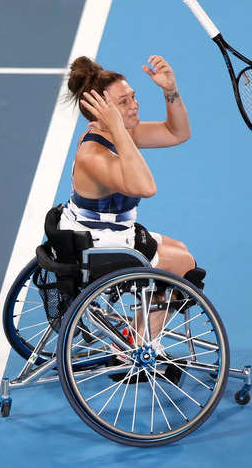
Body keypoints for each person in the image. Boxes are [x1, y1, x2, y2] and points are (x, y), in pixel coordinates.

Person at [59, 55, 205, 343]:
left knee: (180, 250)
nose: (134, 104)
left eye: (133, 97)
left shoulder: (117, 135)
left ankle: (139, 330)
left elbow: (178, 133)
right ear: (100, 112)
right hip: (97, 244)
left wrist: (169, 90)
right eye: (123, 102)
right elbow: (146, 187)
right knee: (183, 263)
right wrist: (118, 129)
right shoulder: (94, 154)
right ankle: (139, 348)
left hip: (103, 234)